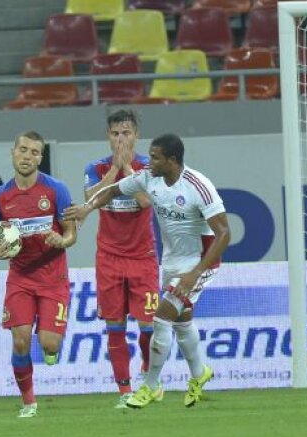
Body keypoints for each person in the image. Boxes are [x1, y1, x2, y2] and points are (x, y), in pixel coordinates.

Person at [66, 133, 229, 410]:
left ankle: (150, 386)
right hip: (173, 262)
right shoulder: (149, 178)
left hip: (201, 262)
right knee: (182, 321)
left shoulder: (198, 186)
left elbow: (224, 234)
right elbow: (113, 190)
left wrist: (194, 274)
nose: (148, 161)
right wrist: (87, 208)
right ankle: (200, 373)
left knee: (162, 318)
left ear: (172, 160)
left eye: (155, 157)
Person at [0, 131, 77, 419]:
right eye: (23, 150)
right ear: (13, 152)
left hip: (53, 277)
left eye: (34, 152)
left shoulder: (56, 190)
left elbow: (71, 232)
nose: (27, 156)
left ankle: (52, 346)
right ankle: (29, 402)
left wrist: (62, 240)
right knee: (19, 340)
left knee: (48, 344)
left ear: (40, 157)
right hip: (19, 277)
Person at [82, 110, 160, 408]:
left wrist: (127, 167)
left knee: (148, 326)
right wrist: (114, 170)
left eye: (126, 133)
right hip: (109, 258)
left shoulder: (148, 167)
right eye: (115, 133)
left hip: (143, 257)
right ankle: (124, 392)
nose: (120, 139)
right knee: (115, 326)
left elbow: (144, 202)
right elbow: (91, 202)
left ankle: (147, 376)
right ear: (107, 136)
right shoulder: (96, 167)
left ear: (136, 136)